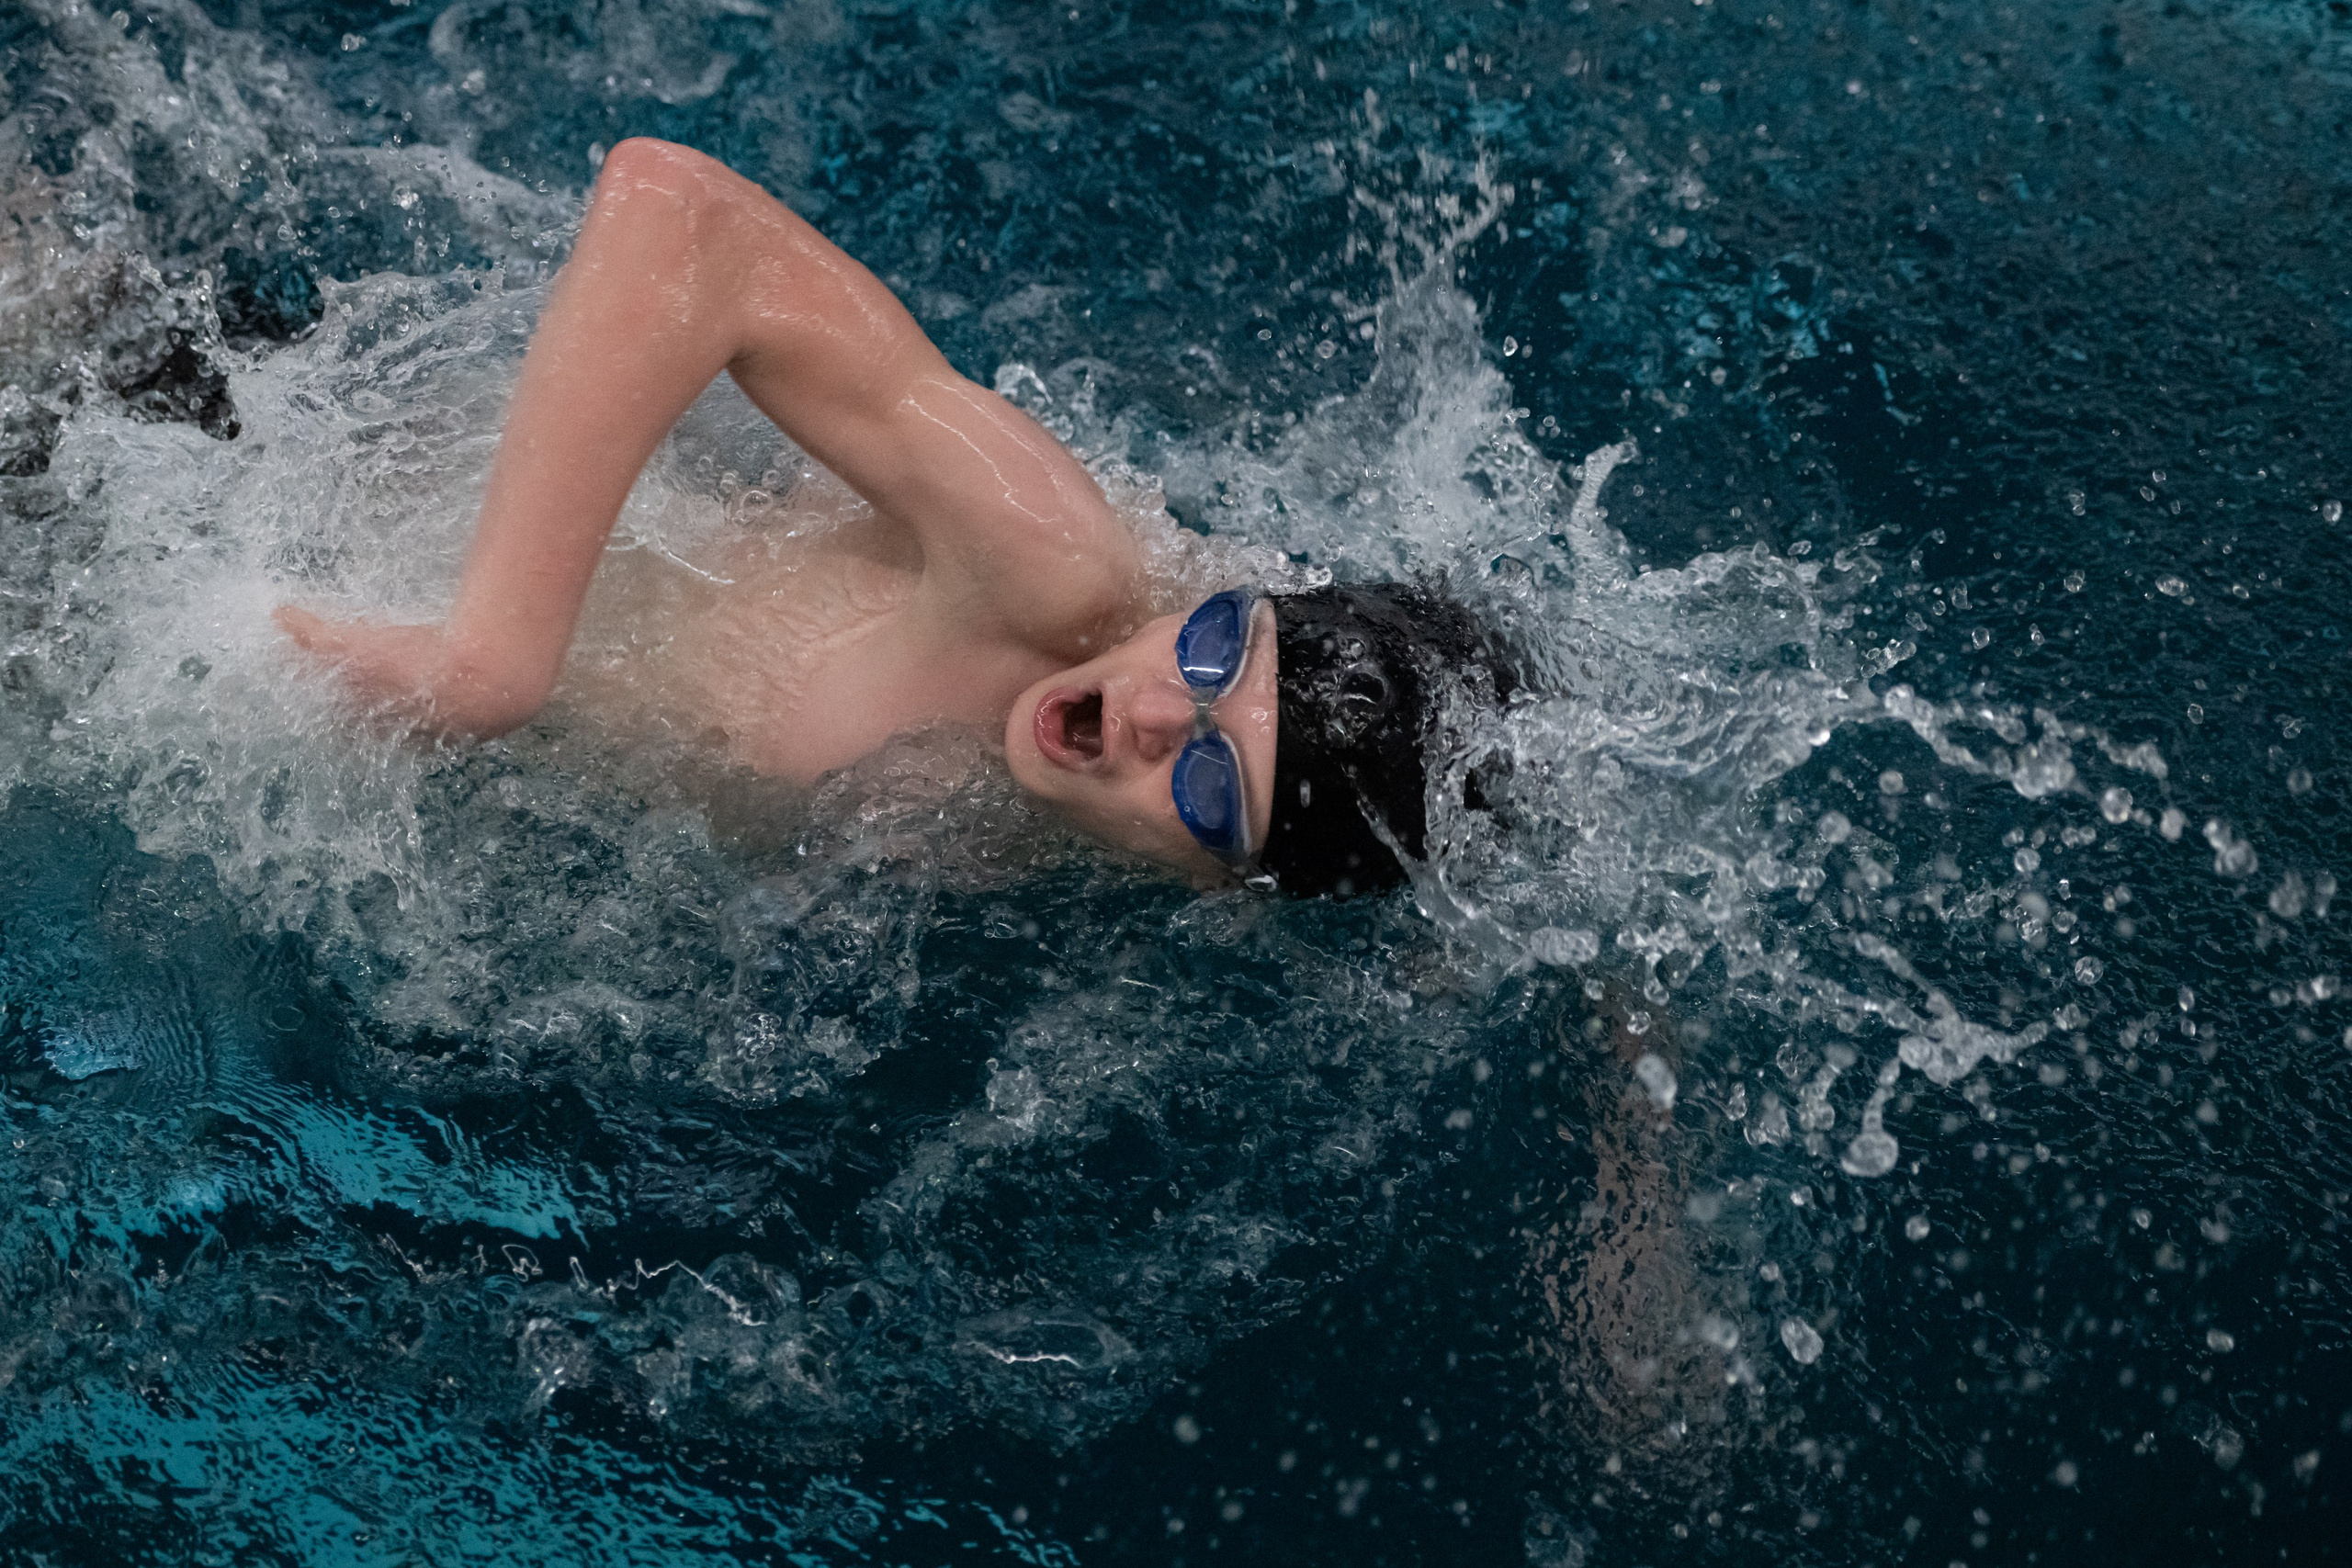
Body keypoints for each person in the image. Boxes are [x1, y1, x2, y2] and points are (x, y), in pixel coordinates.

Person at [277, 139, 1502, 897]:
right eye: (1215, 645)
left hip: (324, 687)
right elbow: (684, 217)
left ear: (1228, 884)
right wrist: (492, 665)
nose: (1153, 708)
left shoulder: (1072, 854)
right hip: (277, 480)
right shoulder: (1050, 566)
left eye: (1208, 784)